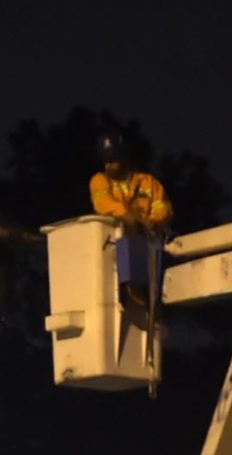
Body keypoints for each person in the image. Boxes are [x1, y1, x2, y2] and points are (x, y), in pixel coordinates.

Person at [89, 131, 173, 330]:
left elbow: (163, 206)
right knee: (128, 232)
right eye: (106, 160)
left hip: (150, 243)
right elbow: (103, 203)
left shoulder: (148, 182)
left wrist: (153, 220)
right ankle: (135, 292)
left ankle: (152, 300)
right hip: (118, 247)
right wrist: (130, 217)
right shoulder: (100, 180)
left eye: (113, 160)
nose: (109, 165)